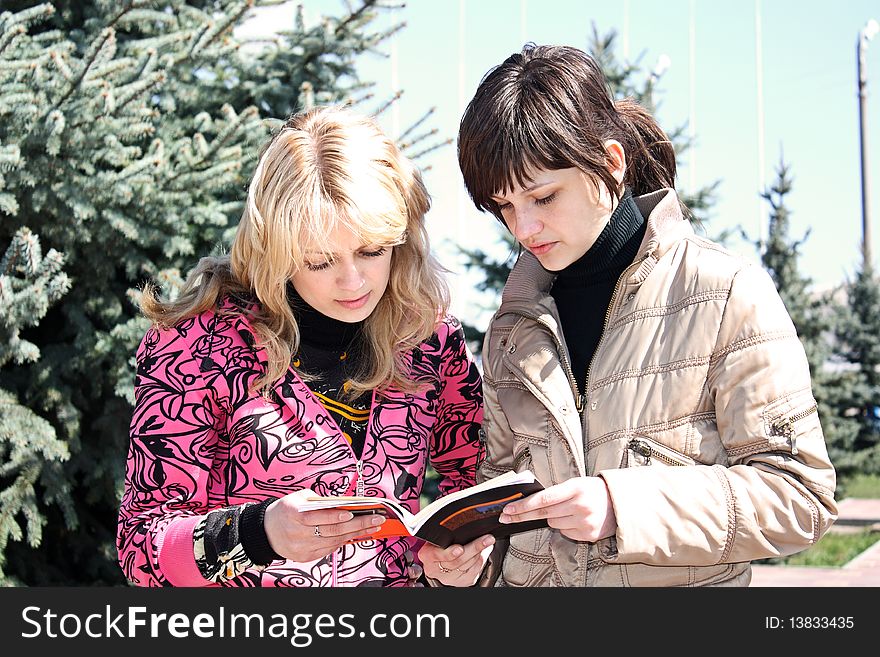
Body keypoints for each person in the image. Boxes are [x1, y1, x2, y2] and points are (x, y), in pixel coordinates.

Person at [420, 43, 838, 587]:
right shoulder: (511, 328)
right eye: (504, 206)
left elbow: (799, 497)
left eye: (543, 197)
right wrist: (468, 566)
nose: (522, 229)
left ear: (611, 164)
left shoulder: (725, 292)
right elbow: (499, 506)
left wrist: (623, 507)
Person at [117, 105, 485, 587]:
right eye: (318, 261)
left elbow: (477, 487)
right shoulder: (197, 346)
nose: (353, 281)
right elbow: (141, 548)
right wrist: (258, 532)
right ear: (276, 252)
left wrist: (457, 563)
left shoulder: (429, 340)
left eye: (372, 251)